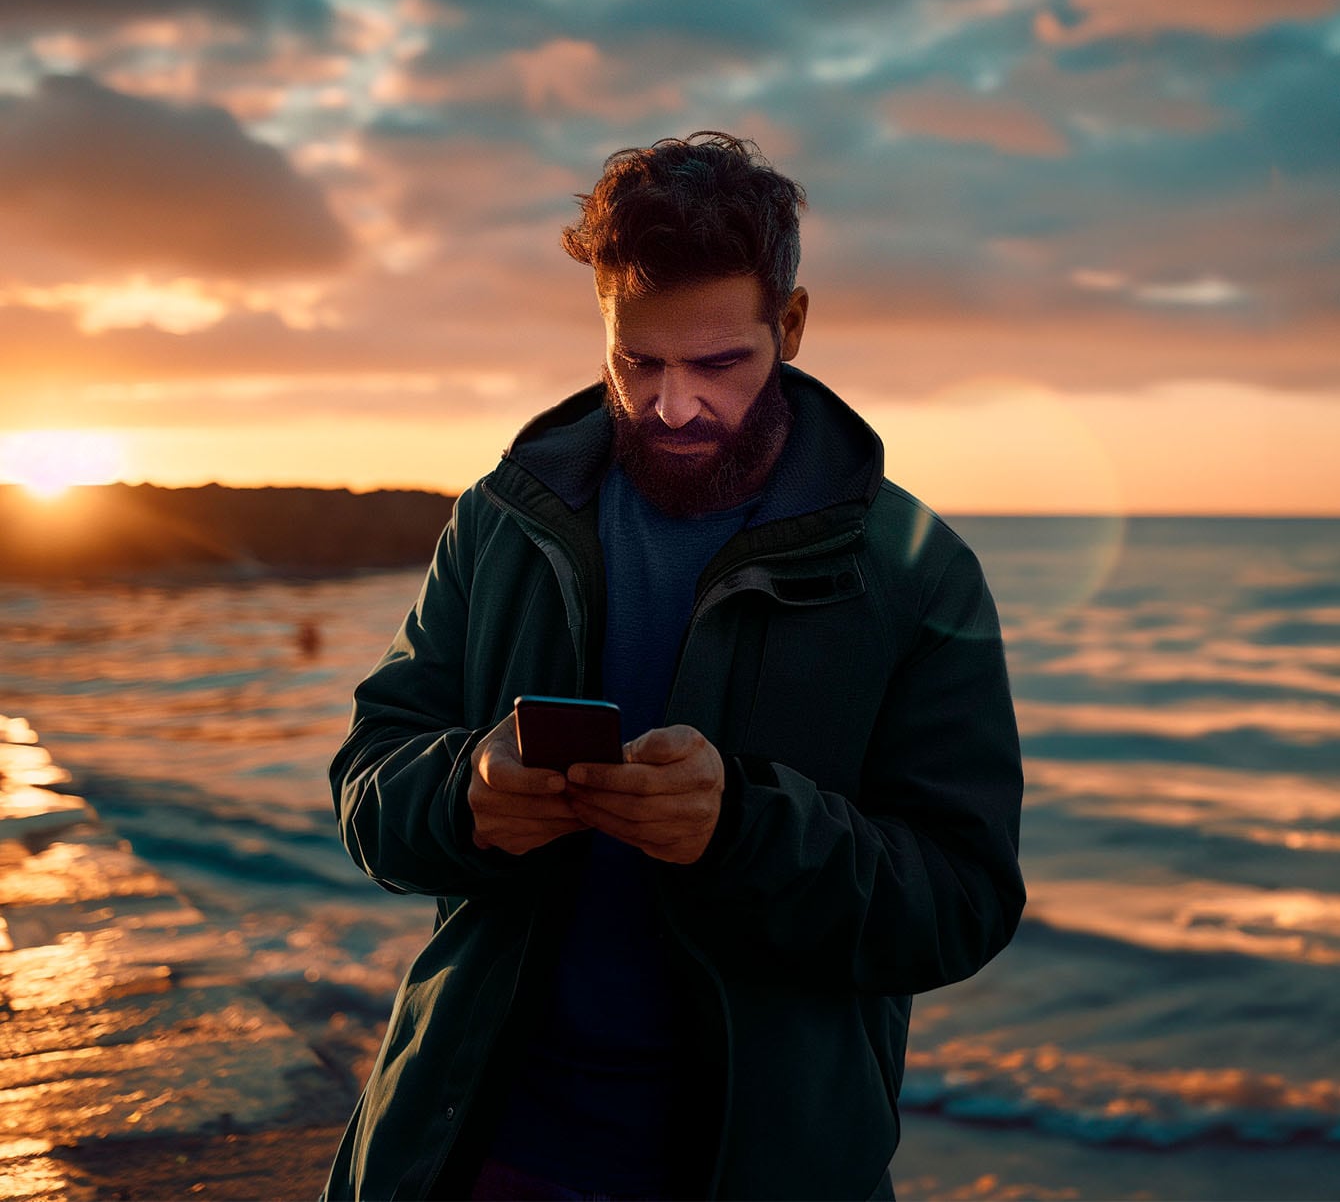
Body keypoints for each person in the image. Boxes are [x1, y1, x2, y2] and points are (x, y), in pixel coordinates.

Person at [323, 132, 1025, 1202]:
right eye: (637, 362)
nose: (674, 405)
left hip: (765, 1169)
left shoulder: (915, 571)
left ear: (787, 326)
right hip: (475, 1146)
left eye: (717, 364)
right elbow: (368, 787)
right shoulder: (501, 522)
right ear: (600, 323)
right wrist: (468, 793)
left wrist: (739, 830)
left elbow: (962, 900)